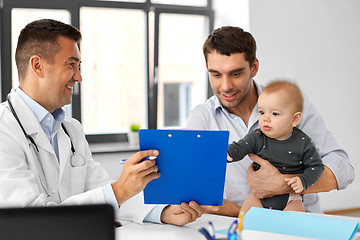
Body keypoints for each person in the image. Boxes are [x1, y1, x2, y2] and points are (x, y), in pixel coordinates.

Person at [0, 19, 203, 225]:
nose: (78, 77)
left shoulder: (71, 130)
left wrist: (163, 212)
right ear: (37, 65)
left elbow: (101, 190)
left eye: (79, 66)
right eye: (71, 65)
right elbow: (28, 219)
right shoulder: (4, 130)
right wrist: (120, 189)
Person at [186, 26, 355, 216]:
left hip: (302, 224)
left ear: (254, 68)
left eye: (236, 74)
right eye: (216, 74)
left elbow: (343, 168)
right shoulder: (201, 118)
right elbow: (188, 182)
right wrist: (245, 213)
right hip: (240, 226)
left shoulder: (291, 105)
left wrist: (285, 184)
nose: (225, 86)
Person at [227, 80, 324, 213]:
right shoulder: (256, 136)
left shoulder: (304, 143)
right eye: (261, 112)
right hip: (259, 197)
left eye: (275, 114)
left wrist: (303, 181)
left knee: (292, 223)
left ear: (294, 119)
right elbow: (240, 147)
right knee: (244, 219)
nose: (266, 118)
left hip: (291, 198)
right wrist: (229, 152)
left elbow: (317, 167)